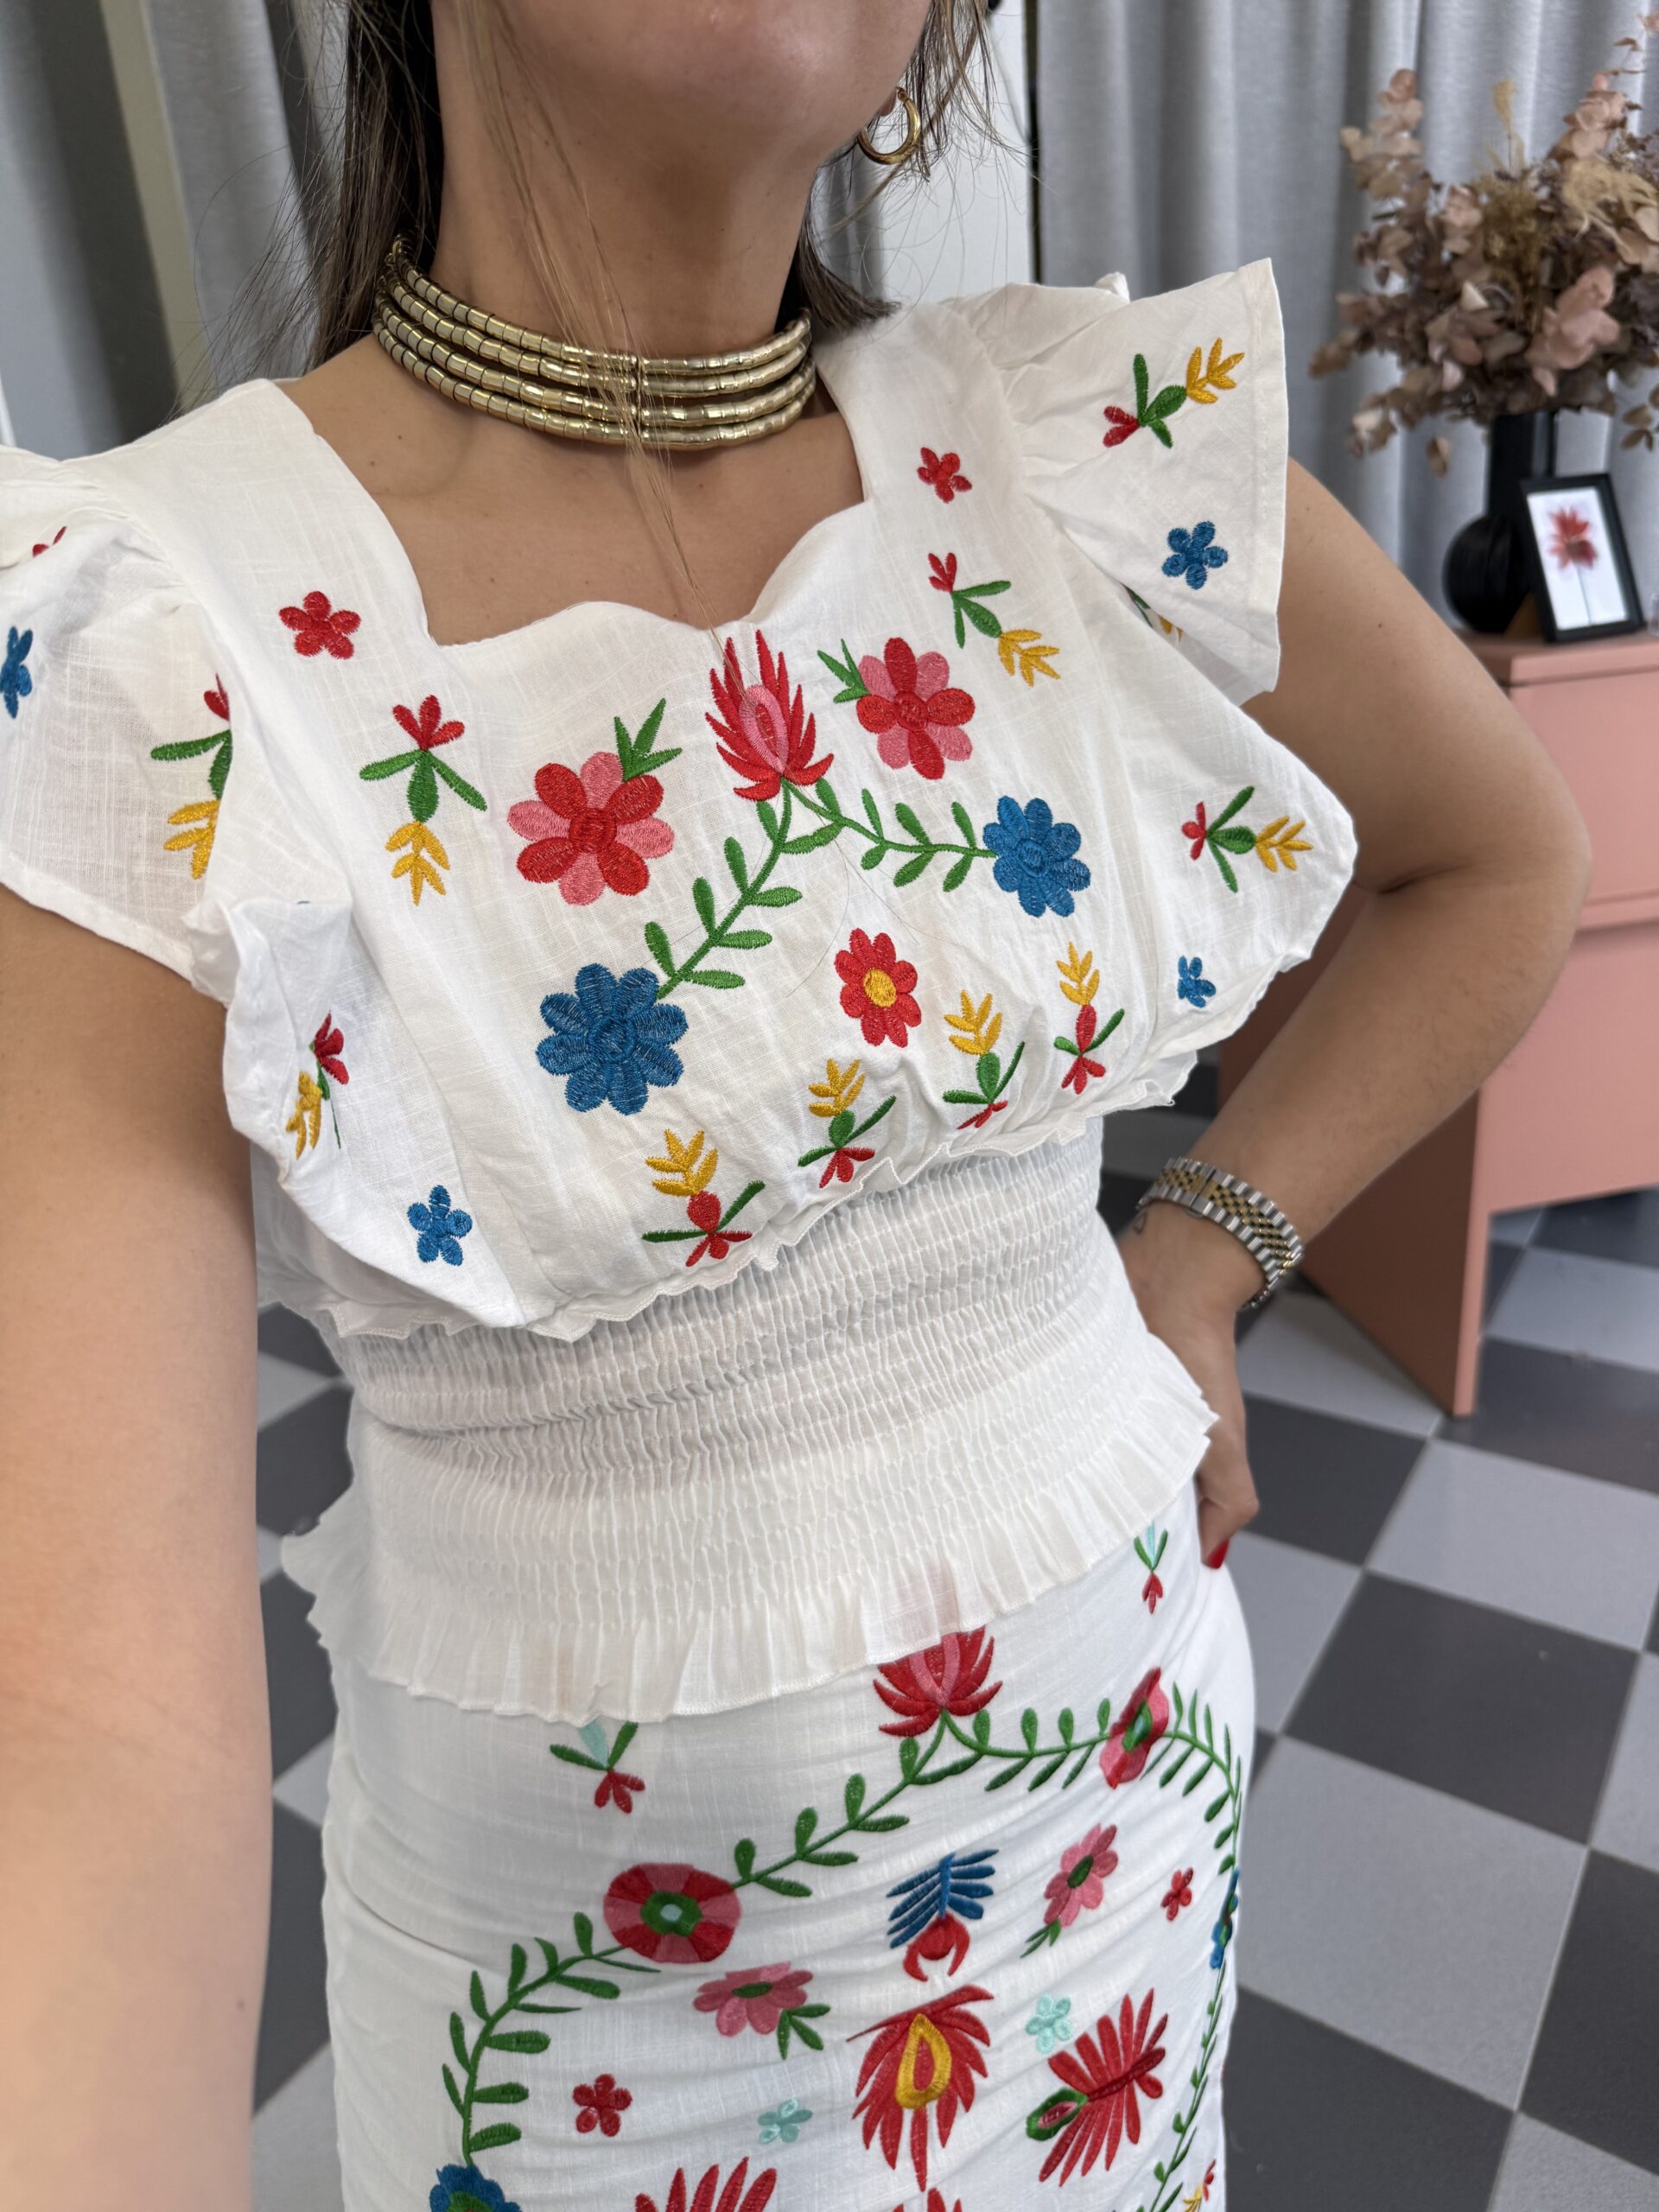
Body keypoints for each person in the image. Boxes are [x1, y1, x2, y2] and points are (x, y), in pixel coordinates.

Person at [0, 3, 1591, 2207]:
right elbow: (80, 1742)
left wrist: (1200, 1256)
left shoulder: (1077, 460)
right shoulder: (147, 643)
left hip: (1124, 1860)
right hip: (589, 2039)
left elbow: (1503, 860)